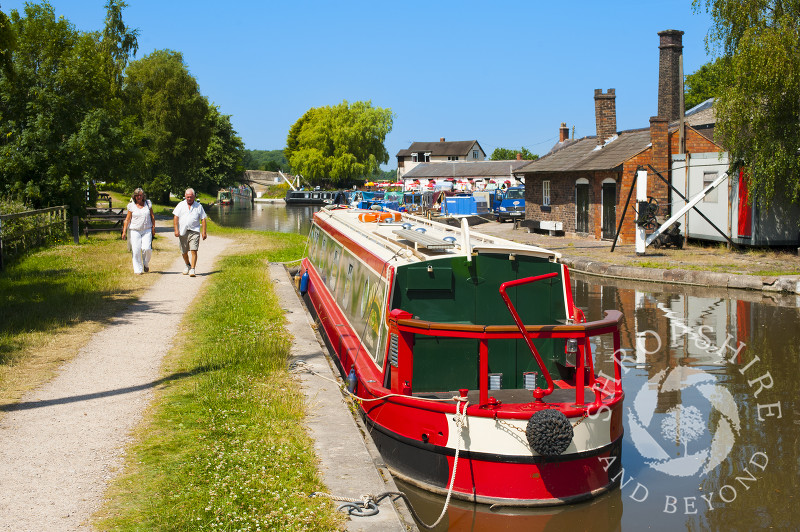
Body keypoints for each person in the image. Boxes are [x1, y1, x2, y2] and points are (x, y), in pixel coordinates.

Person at [172, 188, 207, 277]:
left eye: (191, 197)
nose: (189, 199)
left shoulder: (199, 206)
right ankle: (187, 264)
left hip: (194, 231)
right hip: (183, 231)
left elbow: (203, 219)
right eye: (187, 197)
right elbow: (176, 217)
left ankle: (192, 269)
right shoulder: (180, 205)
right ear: (185, 196)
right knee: (184, 252)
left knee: (193, 250)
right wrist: (176, 229)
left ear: (194, 197)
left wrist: (204, 232)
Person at [121, 188, 156, 275]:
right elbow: (127, 219)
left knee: (147, 248)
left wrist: (153, 228)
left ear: (143, 196)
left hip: (146, 229)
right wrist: (124, 231)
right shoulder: (131, 206)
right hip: (135, 230)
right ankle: (138, 270)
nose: (139, 197)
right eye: (137, 195)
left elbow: (152, 217)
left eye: (140, 195)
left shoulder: (148, 204)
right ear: (134, 196)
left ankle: (146, 263)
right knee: (136, 250)